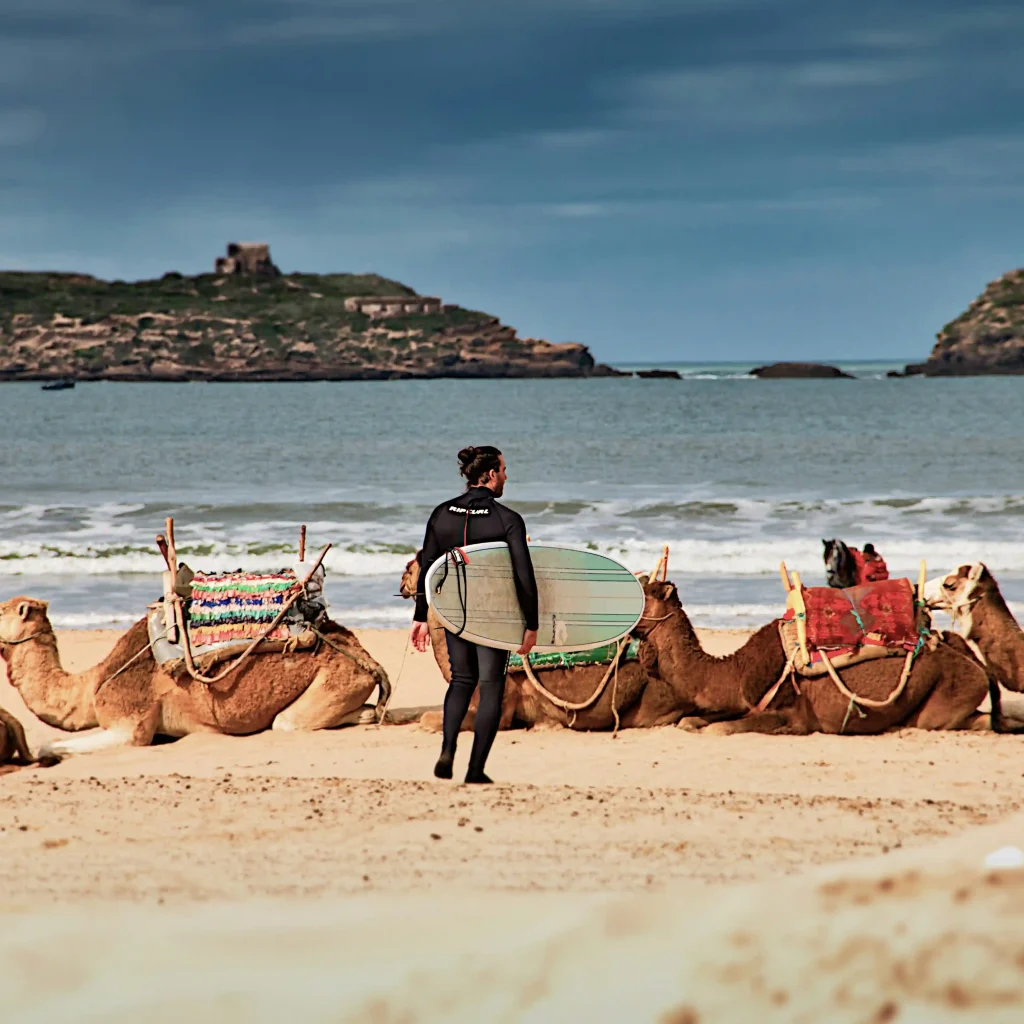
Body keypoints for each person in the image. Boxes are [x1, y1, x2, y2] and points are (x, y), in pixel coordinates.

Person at [410, 446, 538, 784]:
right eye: (504, 470)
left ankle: (447, 750)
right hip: (493, 615)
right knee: (492, 686)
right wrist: (532, 623)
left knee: (462, 680)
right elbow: (524, 577)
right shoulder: (507, 519)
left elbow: (427, 569)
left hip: (455, 613)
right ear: (491, 474)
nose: (506, 476)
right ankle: (475, 769)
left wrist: (420, 616)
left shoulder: (441, 513)